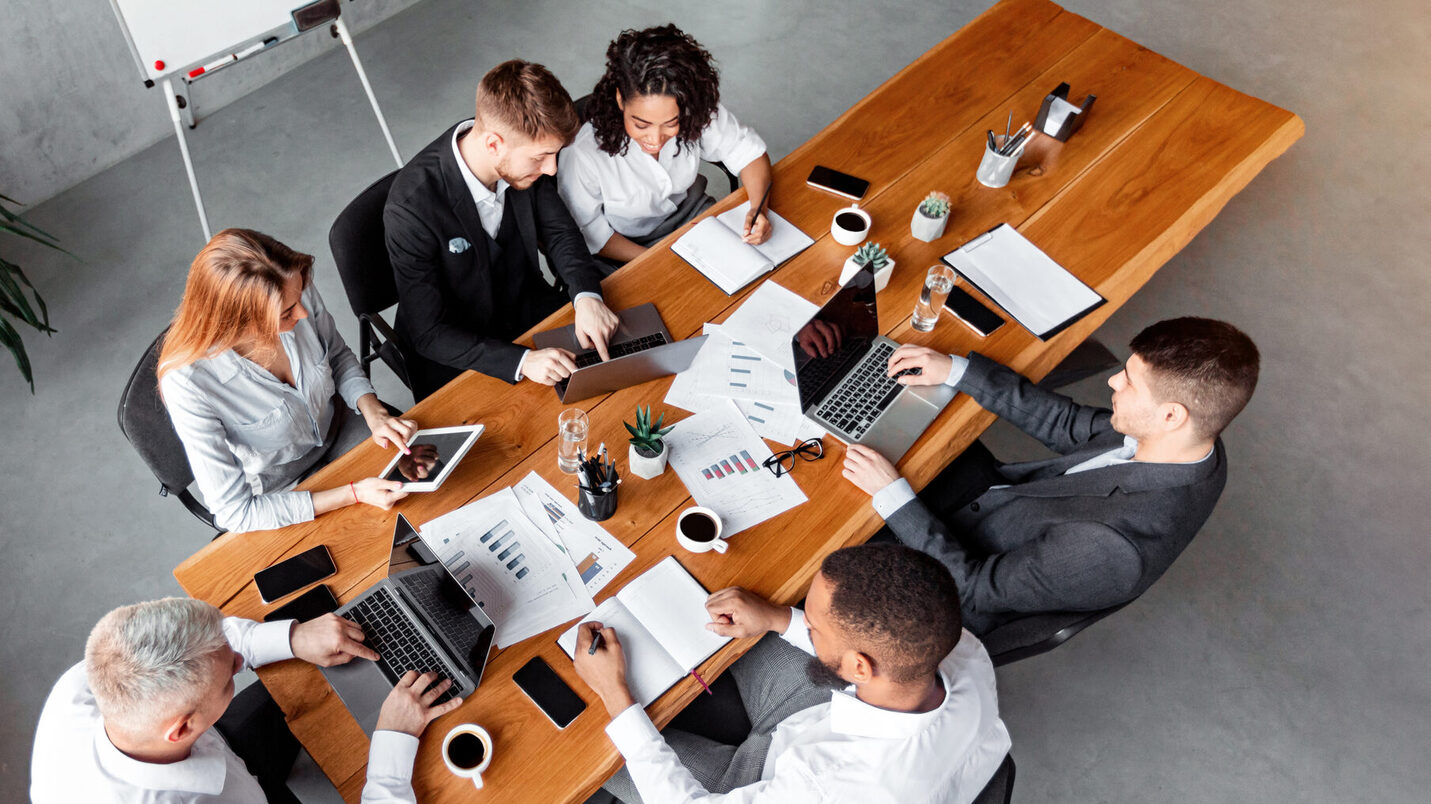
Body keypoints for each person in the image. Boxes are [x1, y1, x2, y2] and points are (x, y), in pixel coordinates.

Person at [842, 317, 1260, 635]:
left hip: (954, 582)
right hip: (1004, 508)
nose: (1113, 379)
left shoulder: (1112, 548)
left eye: (1129, 382)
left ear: (1171, 415)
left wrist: (894, 498)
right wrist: (956, 371)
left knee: (829, 518)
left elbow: (973, 592)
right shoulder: (1192, 441)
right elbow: (1067, 424)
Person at [573, 543, 1011, 803]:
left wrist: (614, 691)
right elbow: (856, 647)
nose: (806, 623)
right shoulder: (958, 646)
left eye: (814, 626)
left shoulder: (833, 787)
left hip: (768, 780)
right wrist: (778, 617)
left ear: (860, 667)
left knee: (588, 743)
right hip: (826, 720)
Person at [31, 597, 460, 803]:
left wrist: (293, 636)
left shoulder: (97, 676)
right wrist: (392, 742)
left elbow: (216, 644)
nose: (241, 660)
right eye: (229, 675)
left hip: (221, 751)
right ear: (181, 728)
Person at [385, 59, 620, 399]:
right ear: (493, 144)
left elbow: (560, 233)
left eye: (555, 155)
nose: (552, 170)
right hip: (457, 353)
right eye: (541, 157)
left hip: (526, 309)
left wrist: (586, 297)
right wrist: (521, 361)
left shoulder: (521, 157)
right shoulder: (411, 207)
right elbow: (429, 332)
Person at [158, 229, 415, 534]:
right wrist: (353, 494)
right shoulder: (189, 384)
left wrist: (374, 411)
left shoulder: (291, 288)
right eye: (288, 313)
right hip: (280, 486)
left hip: (342, 430)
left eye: (300, 298)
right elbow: (235, 512)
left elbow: (336, 355)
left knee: (421, 500)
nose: (303, 313)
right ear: (238, 324)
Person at [558, 24, 774, 267]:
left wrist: (759, 210)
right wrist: (659, 260)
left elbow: (748, 153)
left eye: (671, 123)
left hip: (693, 216)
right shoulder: (583, 153)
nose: (656, 138)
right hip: (626, 249)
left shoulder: (694, 110)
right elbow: (590, 232)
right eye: (641, 125)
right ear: (621, 100)